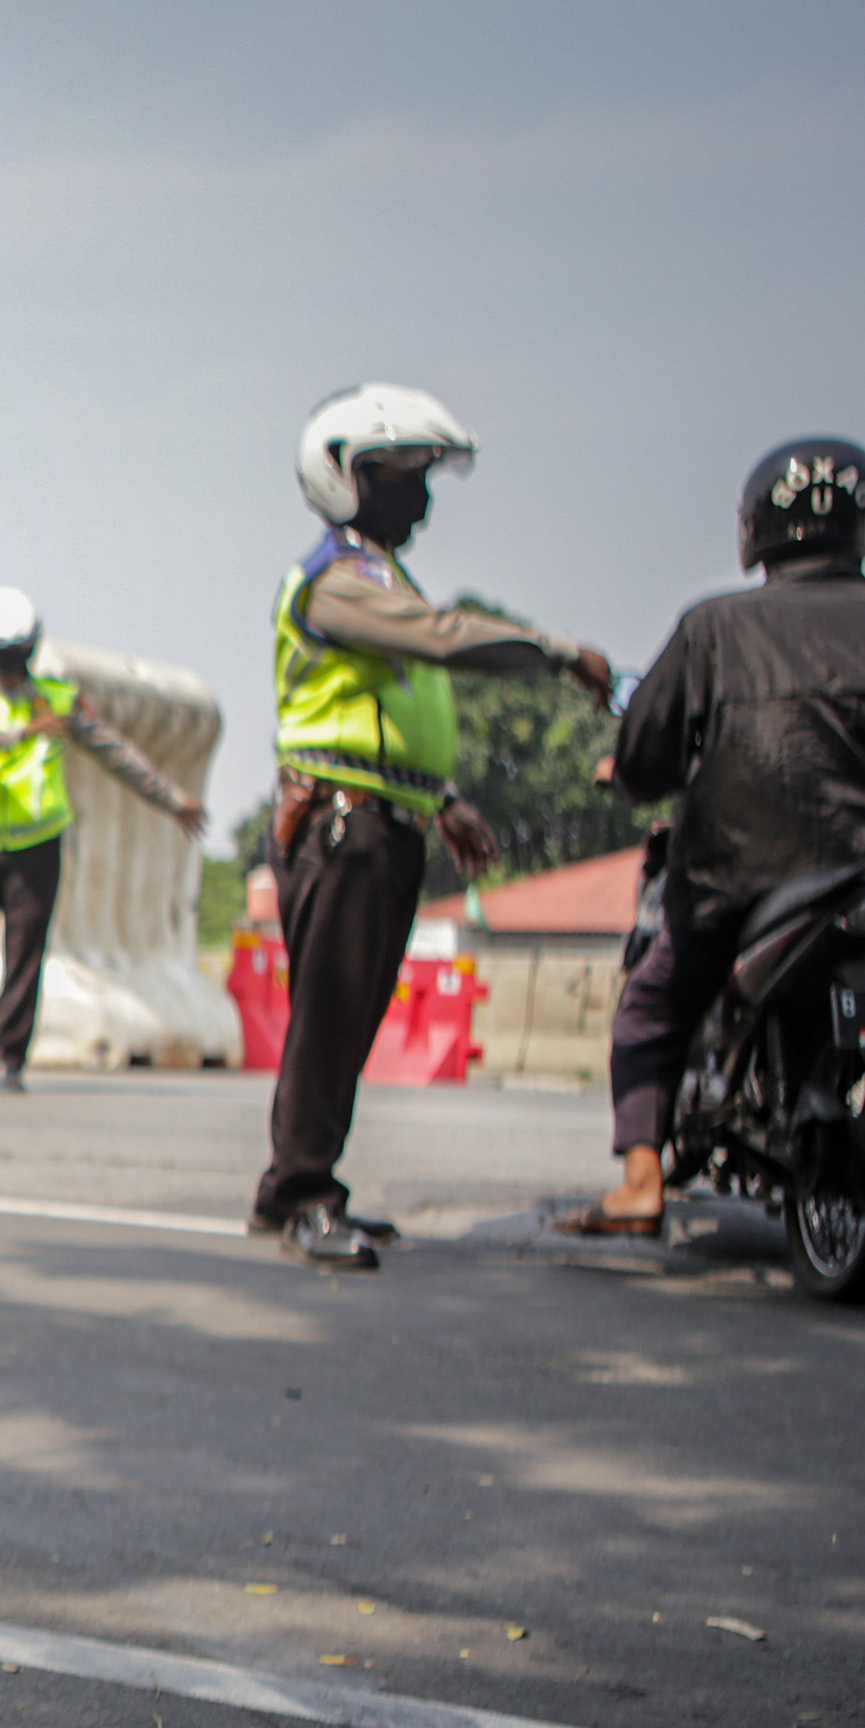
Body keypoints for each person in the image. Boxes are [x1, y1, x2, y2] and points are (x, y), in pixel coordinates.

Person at [562, 439, 865, 1236]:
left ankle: (641, 1180)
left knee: (651, 1007)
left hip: (737, 881)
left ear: (755, 527)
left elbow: (649, 757)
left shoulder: (713, 628)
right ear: (863, 526)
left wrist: (623, 773)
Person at [255, 386, 610, 1266]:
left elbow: (393, 709)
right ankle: (303, 1194)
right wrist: (558, 654)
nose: (419, 498)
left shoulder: (381, 575)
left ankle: (293, 1187)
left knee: (350, 1018)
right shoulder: (337, 579)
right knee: (330, 1018)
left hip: (384, 818)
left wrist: (442, 797)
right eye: (401, 476)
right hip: (340, 824)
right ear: (343, 476)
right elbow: (441, 641)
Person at [0, 585, 203, 1091]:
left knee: (25, 956)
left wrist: (171, 799)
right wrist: (23, 733)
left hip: (37, 846)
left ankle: (6, 1061)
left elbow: (114, 752)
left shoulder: (59, 700)